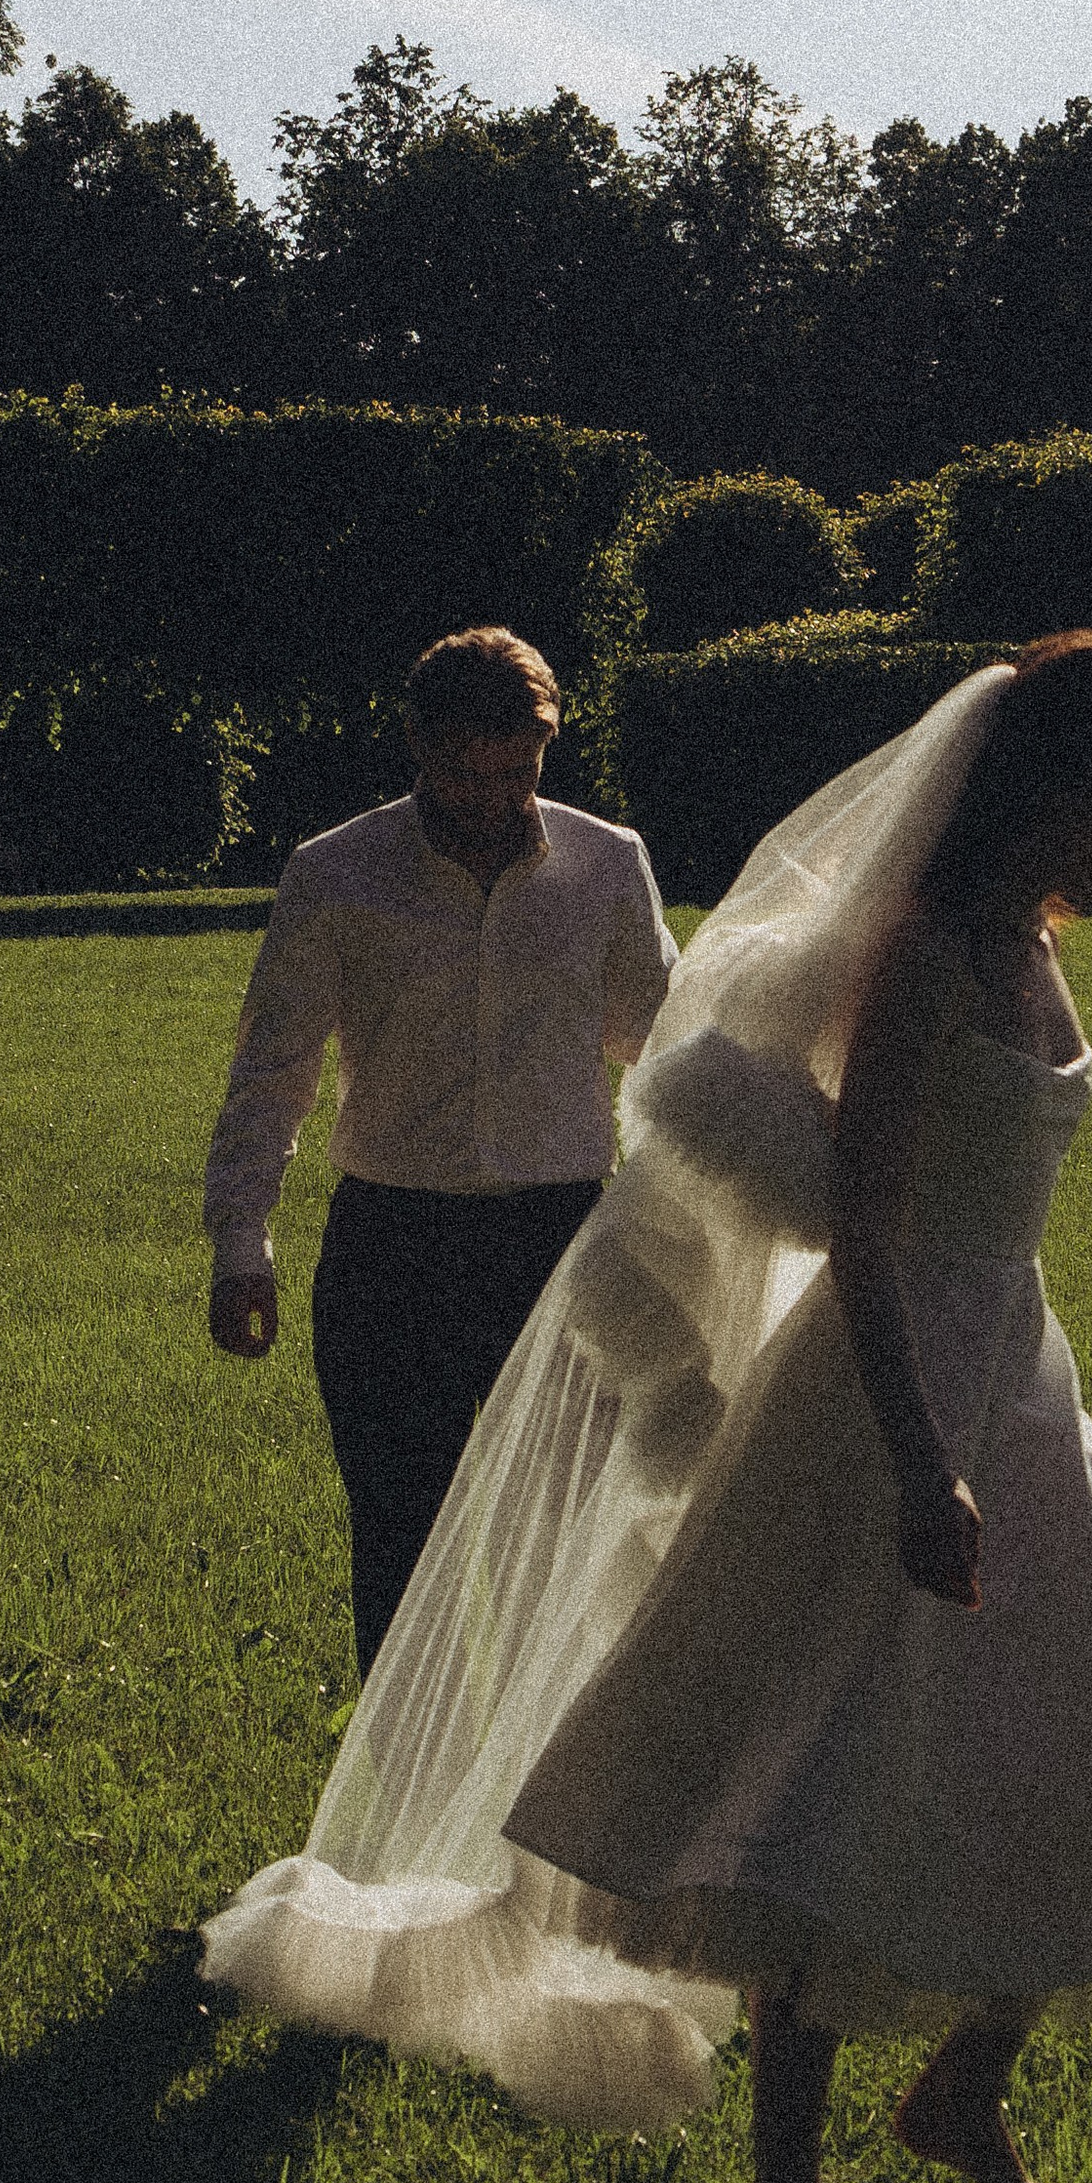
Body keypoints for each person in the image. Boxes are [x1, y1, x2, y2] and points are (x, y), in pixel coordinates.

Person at [201, 635, 1092, 2183]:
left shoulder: (1023, 942)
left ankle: (961, 2090)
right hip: (893, 1394)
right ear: (1049, 790)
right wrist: (917, 1460)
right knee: (824, 1777)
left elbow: (689, 1040)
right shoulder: (929, 960)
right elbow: (862, 1222)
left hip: (1016, 1367)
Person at [204, 625, 678, 1672]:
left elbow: (657, 1042)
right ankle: (393, 1819)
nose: (497, 794)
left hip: (554, 1244)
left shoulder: (607, 863)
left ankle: (535, 1813)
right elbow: (273, 1066)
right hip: (392, 1245)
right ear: (419, 748)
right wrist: (242, 1241)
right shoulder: (337, 874)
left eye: (520, 766)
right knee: (401, 1550)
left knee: (557, 1552)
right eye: (468, 770)